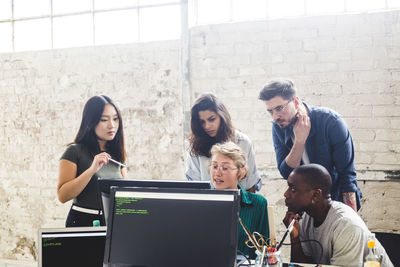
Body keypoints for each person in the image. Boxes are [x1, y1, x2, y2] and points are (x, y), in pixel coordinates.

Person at [259, 79, 362, 211]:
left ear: (296, 102)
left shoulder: (331, 122)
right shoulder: (278, 126)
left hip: (335, 202)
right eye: (270, 111)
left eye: (279, 108)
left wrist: (350, 218)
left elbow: (347, 177)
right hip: (304, 205)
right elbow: (286, 173)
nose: (275, 117)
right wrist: (299, 142)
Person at [283, 164, 393, 267]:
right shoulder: (306, 218)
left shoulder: (347, 226)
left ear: (316, 195)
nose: (286, 194)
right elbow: (303, 265)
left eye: (293, 189)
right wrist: (294, 236)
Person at [57, 95, 127, 227]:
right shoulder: (74, 151)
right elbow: (62, 195)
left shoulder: (117, 154)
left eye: (115, 119)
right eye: (104, 120)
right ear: (91, 122)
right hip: (83, 221)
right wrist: (92, 169)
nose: (112, 125)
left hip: (112, 223)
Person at [186, 93, 261, 192]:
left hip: (239, 204)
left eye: (211, 119)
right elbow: (194, 189)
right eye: (202, 122)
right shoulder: (195, 147)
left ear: (222, 116)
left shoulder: (243, 142)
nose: (207, 126)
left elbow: (250, 184)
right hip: (206, 204)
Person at [210, 141, 269, 259]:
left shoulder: (258, 203)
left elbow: (264, 250)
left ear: (241, 173)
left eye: (225, 168)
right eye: (214, 166)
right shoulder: (201, 201)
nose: (217, 173)